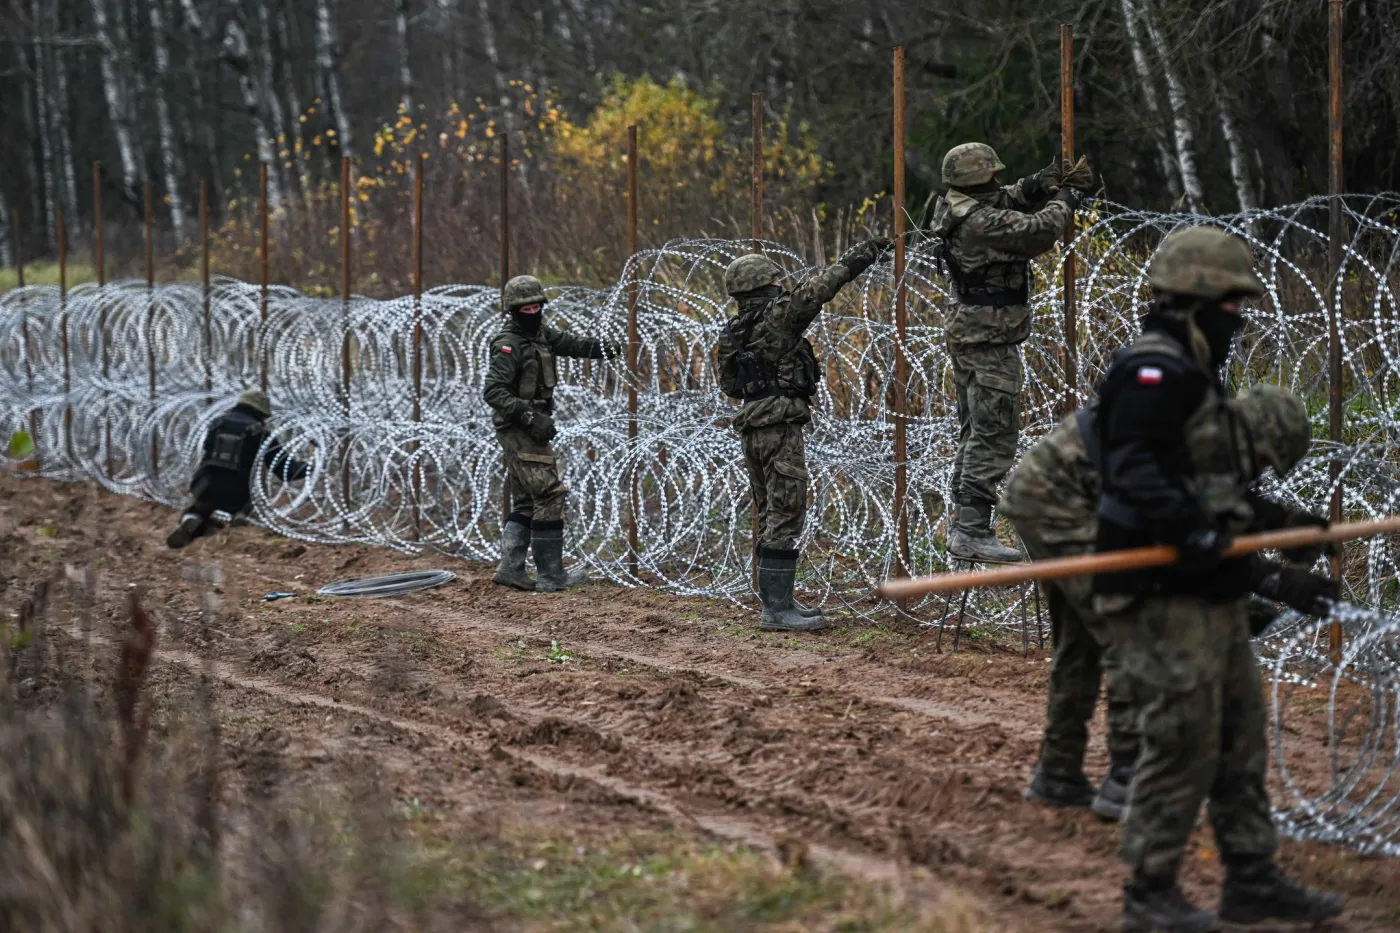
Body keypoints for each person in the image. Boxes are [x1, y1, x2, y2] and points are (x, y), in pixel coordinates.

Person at [1090, 226, 1344, 931]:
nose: (1236, 319)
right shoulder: (1152, 369)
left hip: (1210, 588)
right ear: (1194, 300)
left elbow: (1212, 484)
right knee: (1182, 739)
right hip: (1163, 591)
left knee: (1239, 738)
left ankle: (1252, 878)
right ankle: (1150, 891)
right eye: (1230, 306)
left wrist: (1283, 522)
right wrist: (1196, 534)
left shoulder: (1196, 373)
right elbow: (1136, 471)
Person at [1001, 384, 1336, 824]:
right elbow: (1190, 535)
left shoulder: (1206, 429)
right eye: (1262, 459)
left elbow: (1213, 512)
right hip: (1062, 503)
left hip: (1058, 495)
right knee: (1127, 627)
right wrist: (1274, 580)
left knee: (1081, 642)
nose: (1257, 471)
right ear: (1252, 433)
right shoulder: (1197, 433)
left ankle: (1059, 774)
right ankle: (1129, 781)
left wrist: (1283, 523)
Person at [930, 143, 1093, 563]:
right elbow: (1036, 231)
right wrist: (1067, 198)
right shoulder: (980, 222)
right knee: (994, 434)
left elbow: (1009, 198)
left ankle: (967, 522)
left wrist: (1041, 182)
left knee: (976, 432)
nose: (999, 181)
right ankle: (970, 530)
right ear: (979, 180)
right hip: (990, 337)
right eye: (992, 175)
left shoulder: (958, 205)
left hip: (974, 332)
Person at [719, 240, 888, 631]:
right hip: (779, 425)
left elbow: (729, 384)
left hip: (753, 425)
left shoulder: (732, 333)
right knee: (786, 511)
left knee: (770, 510)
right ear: (766, 284)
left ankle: (780, 603)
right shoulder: (779, 315)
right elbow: (819, 289)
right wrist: (858, 257)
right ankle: (776, 611)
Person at [485, 274, 618, 593]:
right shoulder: (509, 345)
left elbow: (572, 344)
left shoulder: (541, 335)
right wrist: (530, 416)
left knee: (527, 501)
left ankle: (511, 569)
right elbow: (494, 391)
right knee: (549, 493)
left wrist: (607, 348)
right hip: (520, 427)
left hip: (533, 424)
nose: (532, 313)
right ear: (512, 310)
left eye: (536, 307)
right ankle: (551, 575)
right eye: (525, 309)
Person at [166, 390, 309, 549]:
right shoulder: (260, 432)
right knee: (239, 504)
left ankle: (193, 518)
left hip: (204, 482)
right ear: (260, 413)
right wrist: (312, 467)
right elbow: (286, 471)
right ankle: (233, 516)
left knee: (200, 507)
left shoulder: (216, 423)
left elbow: (205, 452)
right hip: (237, 489)